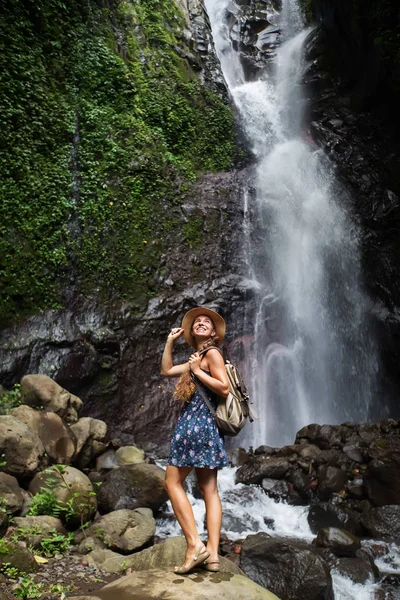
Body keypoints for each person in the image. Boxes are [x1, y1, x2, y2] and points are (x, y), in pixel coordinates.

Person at [161, 307, 229, 574]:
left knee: (171, 481)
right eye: (197, 322)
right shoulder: (198, 357)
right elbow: (166, 370)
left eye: (206, 322)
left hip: (195, 426)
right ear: (192, 332)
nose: (201, 323)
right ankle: (212, 556)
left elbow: (223, 386)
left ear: (213, 333)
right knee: (209, 490)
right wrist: (170, 341)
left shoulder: (211, 354)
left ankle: (194, 544)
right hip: (208, 429)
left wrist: (196, 372)